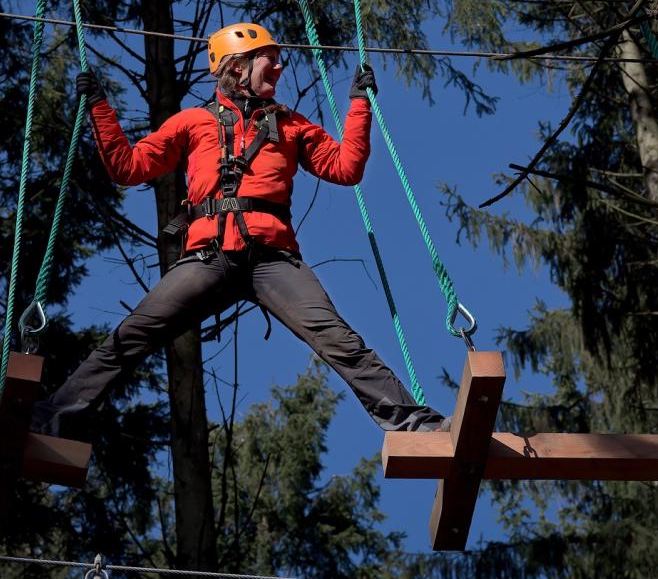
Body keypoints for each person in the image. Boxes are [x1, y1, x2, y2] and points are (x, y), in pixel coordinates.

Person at [31, 22, 445, 436]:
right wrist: (99, 107)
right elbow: (128, 167)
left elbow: (345, 168)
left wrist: (359, 105)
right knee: (132, 333)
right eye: (271, 59)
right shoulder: (193, 122)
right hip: (208, 257)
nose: (280, 68)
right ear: (238, 66)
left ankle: (416, 424)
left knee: (338, 339)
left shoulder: (291, 126)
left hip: (273, 260)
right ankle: (49, 420)